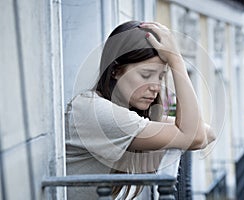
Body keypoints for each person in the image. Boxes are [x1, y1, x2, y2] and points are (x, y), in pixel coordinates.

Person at [65, 20, 216, 200]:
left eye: (161, 77)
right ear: (115, 70)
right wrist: (176, 61)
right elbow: (196, 137)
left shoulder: (125, 113)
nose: (156, 87)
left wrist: (175, 61)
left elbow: (207, 133)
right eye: (146, 75)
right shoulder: (96, 112)